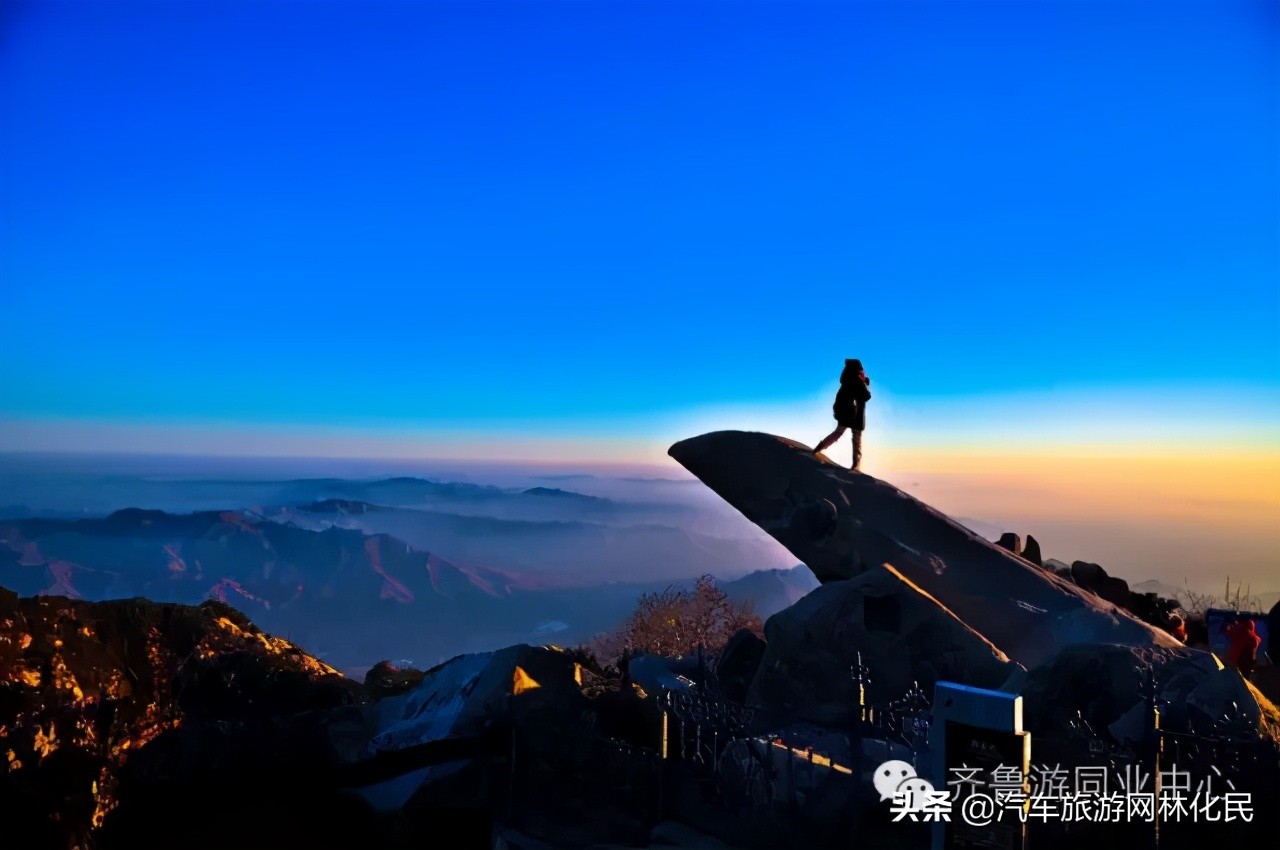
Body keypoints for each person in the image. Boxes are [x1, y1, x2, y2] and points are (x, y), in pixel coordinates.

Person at [813, 358, 872, 470]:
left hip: (844, 412)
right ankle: (855, 466)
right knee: (856, 439)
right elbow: (866, 396)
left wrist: (862, 382)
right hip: (854, 414)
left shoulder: (846, 379)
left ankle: (818, 448)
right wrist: (865, 383)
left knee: (838, 432)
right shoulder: (856, 380)